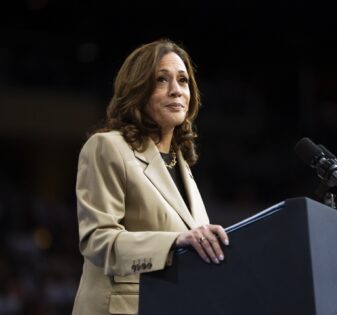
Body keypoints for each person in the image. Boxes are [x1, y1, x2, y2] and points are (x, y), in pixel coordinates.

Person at [72, 39, 229, 315]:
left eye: (183, 81)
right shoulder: (107, 147)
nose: (176, 91)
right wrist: (174, 241)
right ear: (137, 90)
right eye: (161, 80)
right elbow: (98, 241)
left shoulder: (181, 165)